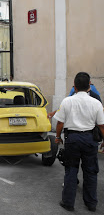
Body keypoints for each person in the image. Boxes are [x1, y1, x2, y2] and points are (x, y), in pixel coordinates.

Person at [53, 72, 104, 212]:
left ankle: (68, 203)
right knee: (91, 172)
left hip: (72, 140)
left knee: (71, 170)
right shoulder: (96, 103)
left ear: (74, 86)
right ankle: (91, 203)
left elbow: (60, 123)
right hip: (90, 140)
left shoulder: (67, 101)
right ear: (89, 87)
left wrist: (58, 137)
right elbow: (101, 125)